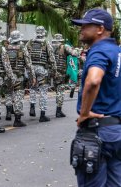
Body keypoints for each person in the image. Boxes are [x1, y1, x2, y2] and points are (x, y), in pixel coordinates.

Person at [71, 9, 121, 186]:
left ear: (100, 29)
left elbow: (93, 81)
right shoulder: (117, 51)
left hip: (97, 132)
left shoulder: (99, 51)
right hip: (116, 132)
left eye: (85, 25)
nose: (81, 29)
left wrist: (84, 113)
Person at [26, 26, 57, 122]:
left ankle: (32, 106)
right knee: (43, 91)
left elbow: (25, 55)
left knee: (32, 88)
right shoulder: (46, 42)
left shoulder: (30, 42)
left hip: (31, 69)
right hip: (41, 68)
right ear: (44, 33)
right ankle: (42, 115)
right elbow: (52, 59)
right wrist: (54, 71)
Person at [5, 30, 36, 127]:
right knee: (18, 96)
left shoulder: (6, 48)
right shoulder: (22, 48)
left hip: (8, 76)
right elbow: (28, 63)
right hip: (19, 76)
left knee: (9, 94)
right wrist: (32, 77)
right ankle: (17, 119)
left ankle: (8, 112)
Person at [51, 34, 78, 117]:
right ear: (61, 40)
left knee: (52, 90)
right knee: (60, 91)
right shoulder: (64, 47)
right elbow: (74, 54)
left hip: (51, 71)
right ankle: (58, 111)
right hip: (60, 72)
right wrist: (76, 50)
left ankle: (37, 109)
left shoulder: (50, 46)